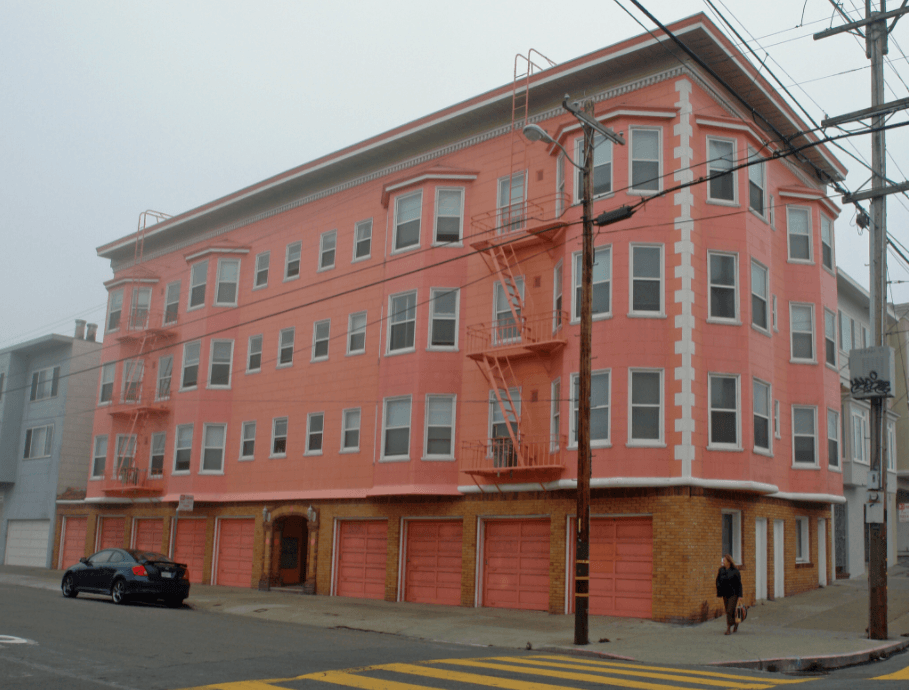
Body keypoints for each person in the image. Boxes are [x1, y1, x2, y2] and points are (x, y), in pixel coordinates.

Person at [716, 554, 743, 635]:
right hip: (725, 593)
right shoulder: (721, 570)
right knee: (729, 611)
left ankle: (728, 628)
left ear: (729, 561)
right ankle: (735, 623)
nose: (723, 562)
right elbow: (718, 580)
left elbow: (739, 584)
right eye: (722, 560)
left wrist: (740, 595)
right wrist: (718, 587)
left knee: (729, 610)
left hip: (733, 594)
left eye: (724, 560)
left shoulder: (735, 571)